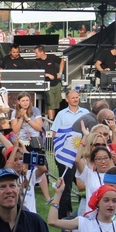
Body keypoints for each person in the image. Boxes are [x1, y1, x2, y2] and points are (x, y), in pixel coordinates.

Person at [51, 90, 90, 219]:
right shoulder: (61, 115)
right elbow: (55, 134)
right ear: (67, 99)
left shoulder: (86, 113)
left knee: (84, 184)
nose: (75, 99)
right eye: (72, 98)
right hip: (67, 156)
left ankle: (83, 212)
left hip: (83, 154)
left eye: (77, 97)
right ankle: (64, 215)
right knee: (66, 185)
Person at [33, 45, 65, 120]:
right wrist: (47, 75)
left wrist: (60, 73)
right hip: (47, 85)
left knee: (57, 103)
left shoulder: (52, 57)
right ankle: (51, 121)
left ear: (42, 52)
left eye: (36, 53)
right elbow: (36, 73)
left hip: (57, 83)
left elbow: (62, 61)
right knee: (50, 104)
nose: (35, 55)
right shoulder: (36, 62)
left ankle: (53, 120)